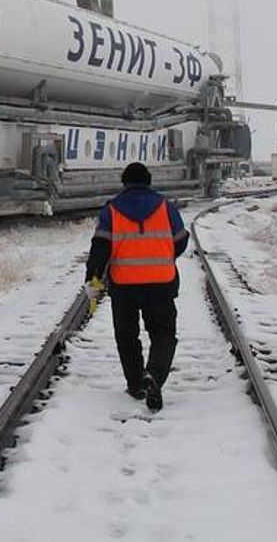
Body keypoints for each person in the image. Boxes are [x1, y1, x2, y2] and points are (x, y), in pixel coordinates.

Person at [84, 162, 188, 412]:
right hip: (161, 283)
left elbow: (100, 248)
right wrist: (164, 256)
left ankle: (135, 384)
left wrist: (92, 279)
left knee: (126, 336)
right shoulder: (166, 207)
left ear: (124, 182)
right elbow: (181, 240)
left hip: (124, 285)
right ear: (148, 181)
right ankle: (154, 376)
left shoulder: (111, 210)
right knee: (163, 333)